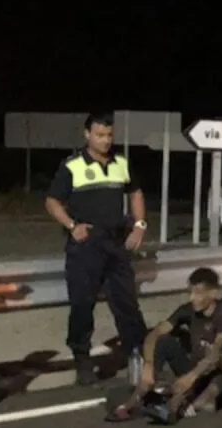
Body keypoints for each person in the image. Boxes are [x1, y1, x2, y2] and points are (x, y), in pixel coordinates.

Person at [45, 112, 149, 386]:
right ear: (87, 134)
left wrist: (139, 225)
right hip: (86, 245)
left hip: (116, 243)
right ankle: (82, 360)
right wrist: (71, 225)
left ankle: (138, 356)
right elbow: (52, 202)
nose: (105, 140)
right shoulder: (72, 165)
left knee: (127, 304)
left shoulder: (121, 163)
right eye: (100, 135)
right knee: (82, 304)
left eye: (109, 135)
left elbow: (136, 192)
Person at [104, 267, 222, 423]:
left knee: (216, 369)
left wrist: (190, 377)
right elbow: (154, 335)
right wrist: (148, 366)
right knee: (164, 342)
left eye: (198, 293)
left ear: (213, 293)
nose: (192, 298)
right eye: (190, 292)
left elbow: (216, 354)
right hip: (196, 369)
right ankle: (136, 399)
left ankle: (178, 406)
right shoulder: (188, 310)